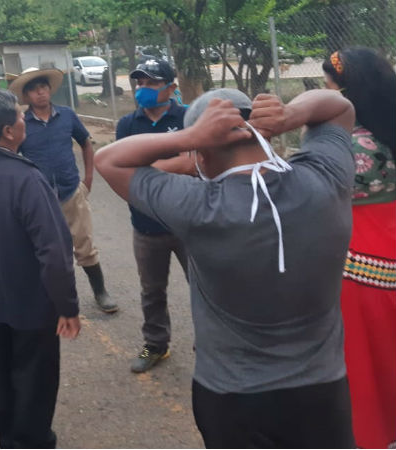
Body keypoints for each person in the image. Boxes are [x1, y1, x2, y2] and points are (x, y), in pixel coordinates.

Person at [95, 88, 357, 448]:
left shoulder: (197, 207)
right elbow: (339, 107)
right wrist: (289, 116)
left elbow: (109, 159)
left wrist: (190, 137)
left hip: (231, 396)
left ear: (201, 153)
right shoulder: (325, 181)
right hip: (322, 391)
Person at [0, 89, 81, 448]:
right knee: (36, 381)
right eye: (21, 118)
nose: (25, 122)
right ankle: (34, 440)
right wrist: (67, 307)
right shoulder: (27, 179)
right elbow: (54, 252)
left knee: (3, 375)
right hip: (32, 305)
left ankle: (9, 439)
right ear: (9, 131)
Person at [322, 47, 396, 449]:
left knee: (363, 363)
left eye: (329, 85)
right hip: (390, 245)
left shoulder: (342, 142)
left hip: (356, 262)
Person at [8, 68, 118, 313]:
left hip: (71, 191)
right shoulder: (21, 123)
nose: (41, 93)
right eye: (35, 89)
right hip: (40, 199)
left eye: (44, 87)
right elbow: (12, 156)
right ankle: (50, 298)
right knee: (44, 251)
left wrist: (88, 179)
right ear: (26, 95)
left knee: (85, 246)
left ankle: (100, 292)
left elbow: (86, 144)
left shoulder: (67, 115)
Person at [116, 59, 194, 373]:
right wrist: (171, 165)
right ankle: (156, 345)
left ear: (171, 88)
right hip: (146, 226)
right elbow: (124, 169)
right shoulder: (127, 124)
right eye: (139, 83)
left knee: (204, 288)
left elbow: (194, 161)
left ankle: (214, 346)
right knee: (152, 291)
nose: (142, 89)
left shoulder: (188, 117)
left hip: (188, 221)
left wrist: (146, 173)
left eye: (150, 83)